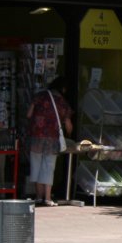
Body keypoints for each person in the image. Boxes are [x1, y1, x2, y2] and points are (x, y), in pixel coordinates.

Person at [26, 77, 73, 206]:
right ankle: (47, 198)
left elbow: (29, 114)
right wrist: (69, 134)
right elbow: (68, 125)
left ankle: (38, 197)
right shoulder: (62, 102)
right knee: (48, 167)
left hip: (36, 137)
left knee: (36, 166)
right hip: (52, 139)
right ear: (63, 89)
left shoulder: (39, 96)